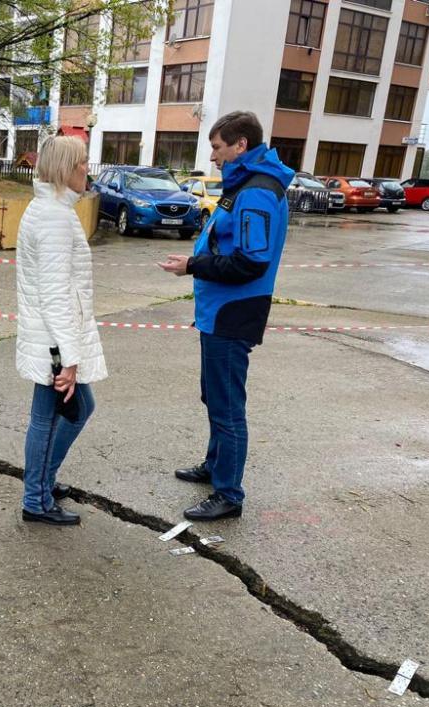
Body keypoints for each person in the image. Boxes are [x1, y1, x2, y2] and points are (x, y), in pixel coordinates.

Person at [158, 111, 294, 521]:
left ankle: (229, 494)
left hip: (234, 313)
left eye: (217, 147)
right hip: (218, 311)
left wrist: (194, 266)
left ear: (241, 146)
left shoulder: (256, 192)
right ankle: (215, 466)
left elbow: (251, 262)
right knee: (214, 395)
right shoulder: (243, 185)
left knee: (227, 405)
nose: (213, 156)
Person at [16, 136, 108, 526]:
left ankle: (42, 483)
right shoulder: (53, 216)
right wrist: (69, 359)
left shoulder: (52, 208)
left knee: (76, 410)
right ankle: (36, 498)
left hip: (51, 337)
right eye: (83, 163)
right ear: (64, 169)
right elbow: (55, 294)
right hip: (54, 342)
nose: (88, 169)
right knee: (53, 417)